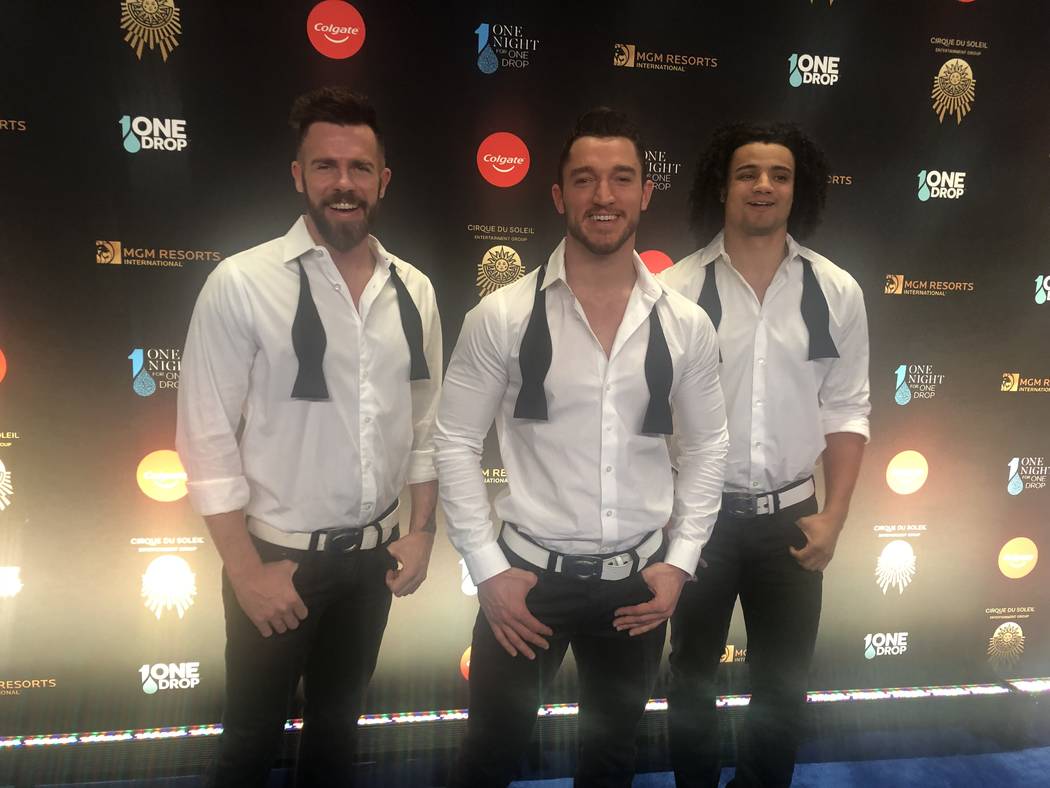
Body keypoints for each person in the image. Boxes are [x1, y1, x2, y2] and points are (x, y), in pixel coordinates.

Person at [436, 107, 728, 787]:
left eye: (621, 179)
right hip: (527, 584)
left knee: (612, 761)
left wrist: (678, 563)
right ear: (559, 195)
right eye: (586, 180)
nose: (605, 196)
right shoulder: (501, 317)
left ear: (645, 193)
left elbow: (709, 447)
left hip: (638, 586)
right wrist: (486, 568)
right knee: (489, 756)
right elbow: (452, 441)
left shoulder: (686, 326)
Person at [175, 86, 442, 787]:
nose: (343, 184)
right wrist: (245, 571)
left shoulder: (414, 290)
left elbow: (424, 426)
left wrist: (421, 531)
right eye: (325, 166)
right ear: (299, 176)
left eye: (359, 168)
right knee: (248, 747)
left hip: (370, 567)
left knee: (335, 739)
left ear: (383, 180)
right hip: (276, 564)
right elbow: (204, 439)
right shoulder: (241, 283)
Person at [660, 122, 870, 787]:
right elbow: (647, 417)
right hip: (698, 522)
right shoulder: (675, 291)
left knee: (783, 688)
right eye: (749, 172)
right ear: (723, 185)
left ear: (796, 188)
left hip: (793, 522)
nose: (764, 186)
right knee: (690, 679)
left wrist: (834, 515)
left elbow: (846, 409)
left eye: (779, 175)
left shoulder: (836, 291)